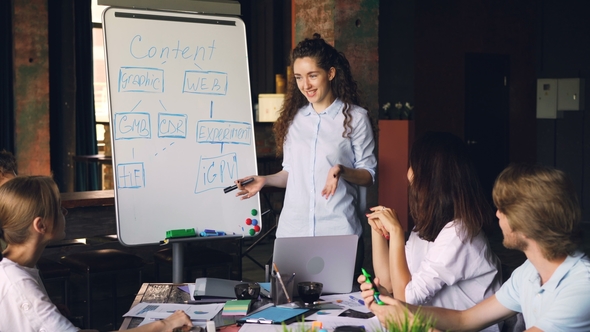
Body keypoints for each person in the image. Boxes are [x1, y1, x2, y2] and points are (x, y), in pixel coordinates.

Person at [359, 163, 590, 331]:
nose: (497, 214)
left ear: (528, 222)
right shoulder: (530, 272)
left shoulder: (581, 286)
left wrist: (414, 325)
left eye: (504, 209)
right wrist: (400, 310)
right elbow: (464, 320)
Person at [235, 34, 376, 264]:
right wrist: (265, 180)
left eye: (312, 75)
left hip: (338, 231)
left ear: (330, 73)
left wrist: (341, 170)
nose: (305, 85)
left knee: (340, 300)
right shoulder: (294, 120)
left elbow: (368, 175)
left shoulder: (356, 118)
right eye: (299, 77)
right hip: (294, 232)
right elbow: (290, 173)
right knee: (289, 300)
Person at [0, 176, 193, 332]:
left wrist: (49, 311)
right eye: (58, 208)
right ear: (40, 225)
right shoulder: (20, 283)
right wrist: (164, 325)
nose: (65, 212)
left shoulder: (15, 267)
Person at [365, 132, 501, 331]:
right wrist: (376, 230)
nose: (409, 174)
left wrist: (395, 232)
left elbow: (405, 300)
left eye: (413, 166)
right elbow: (390, 283)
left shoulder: (459, 233)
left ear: (430, 177)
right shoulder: (426, 227)